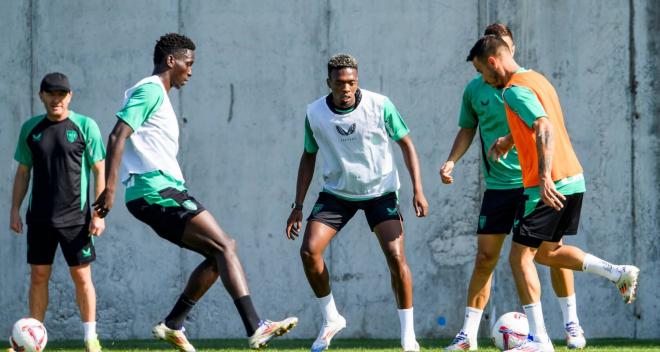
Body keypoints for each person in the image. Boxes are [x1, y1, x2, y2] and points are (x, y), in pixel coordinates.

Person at [92, 33, 296, 351]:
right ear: (171, 60)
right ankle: (256, 326)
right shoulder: (150, 90)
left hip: (157, 191)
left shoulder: (155, 94)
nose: (191, 70)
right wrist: (109, 188)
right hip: (155, 189)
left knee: (219, 254)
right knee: (225, 247)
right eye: (189, 63)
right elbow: (118, 135)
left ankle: (173, 323)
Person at [466, 35, 640, 352]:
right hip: (573, 180)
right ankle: (618, 273)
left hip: (550, 184)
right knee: (548, 253)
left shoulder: (512, 90)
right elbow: (536, 122)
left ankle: (539, 340)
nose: (484, 79)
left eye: (482, 71)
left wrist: (544, 176)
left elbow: (544, 126)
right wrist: (508, 140)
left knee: (520, 260)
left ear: (493, 62)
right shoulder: (536, 79)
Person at [440, 24, 585, 351]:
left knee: (551, 252)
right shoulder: (475, 90)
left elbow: (544, 126)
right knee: (485, 257)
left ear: (506, 52)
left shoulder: (525, 85)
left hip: (535, 185)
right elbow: (467, 129)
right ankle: (468, 335)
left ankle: (569, 323)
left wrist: (546, 175)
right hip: (500, 187)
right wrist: (452, 161)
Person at [285, 53, 429, 352]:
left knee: (395, 256)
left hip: (381, 192)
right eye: (340, 83)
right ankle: (331, 318)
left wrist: (418, 189)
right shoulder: (314, 113)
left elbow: (407, 144)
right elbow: (308, 155)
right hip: (338, 194)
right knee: (309, 252)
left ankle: (407, 336)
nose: (346, 88)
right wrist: (297, 206)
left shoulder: (380, 105)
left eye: (351, 82)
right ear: (329, 83)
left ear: (357, 81)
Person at [10, 72, 106, 352]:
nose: (56, 99)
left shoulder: (85, 126)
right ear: (41, 96)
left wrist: (99, 214)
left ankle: (90, 339)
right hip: (39, 218)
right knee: (39, 276)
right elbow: (23, 171)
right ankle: (33, 339)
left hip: (76, 219)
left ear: (70, 97)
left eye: (61, 94)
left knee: (82, 277)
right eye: (51, 93)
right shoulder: (31, 128)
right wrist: (14, 209)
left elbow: (99, 169)